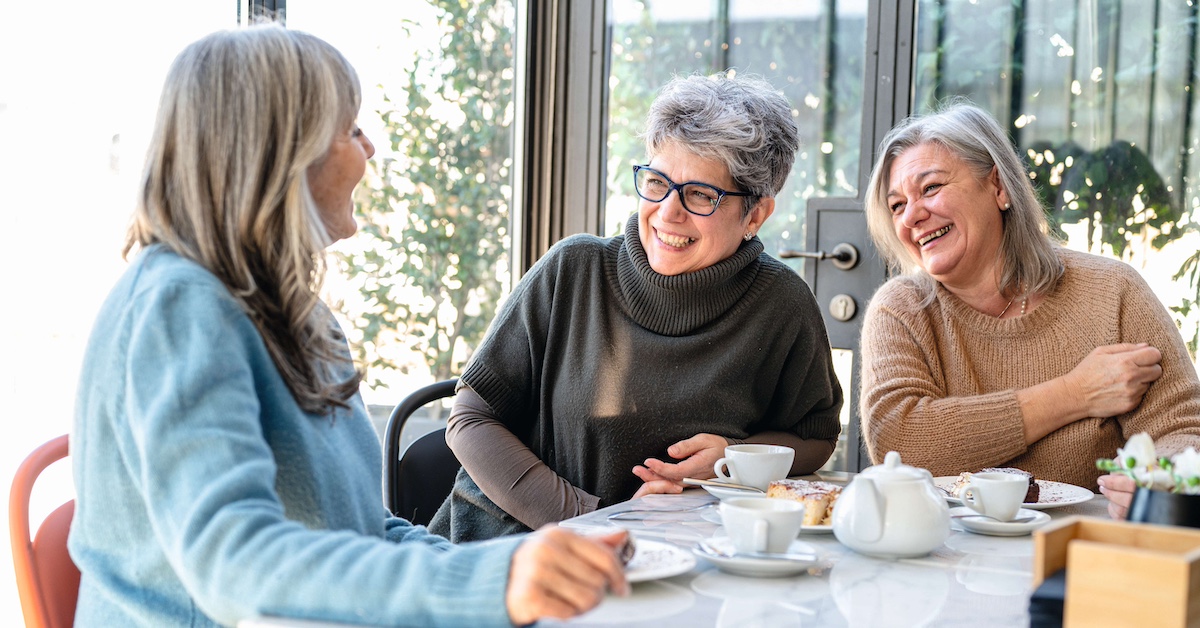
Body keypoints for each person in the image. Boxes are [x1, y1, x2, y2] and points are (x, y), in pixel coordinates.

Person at [68, 24, 629, 628]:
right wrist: (490, 583)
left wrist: (508, 569)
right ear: (282, 153)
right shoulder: (177, 308)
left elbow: (364, 528)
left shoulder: (301, 318)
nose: (370, 149)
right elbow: (233, 563)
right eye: (351, 129)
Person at [430, 73, 844, 542]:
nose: (668, 212)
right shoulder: (574, 269)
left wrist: (735, 456)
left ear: (756, 214)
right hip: (515, 548)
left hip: (681, 557)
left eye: (700, 195)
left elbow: (813, 437)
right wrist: (597, 519)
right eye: (657, 182)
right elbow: (470, 419)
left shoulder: (782, 304)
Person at [858, 99, 1200, 520]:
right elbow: (899, 442)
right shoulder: (900, 310)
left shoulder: (1114, 291)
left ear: (999, 187)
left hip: (1082, 544)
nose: (912, 216)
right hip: (944, 548)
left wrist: (1156, 479)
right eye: (897, 205)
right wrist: (1076, 394)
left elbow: (1183, 430)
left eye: (930, 188)